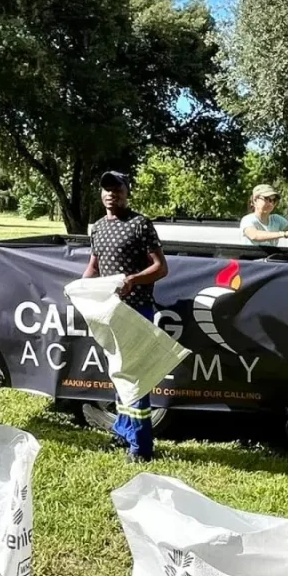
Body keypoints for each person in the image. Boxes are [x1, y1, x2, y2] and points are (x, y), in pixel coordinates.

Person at [83, 170, 168, 463]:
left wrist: (132, 280)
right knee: (119, 377)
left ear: (126, 191)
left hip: (137, 310)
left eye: (116, 188)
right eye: (106, 188)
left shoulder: (140, 224)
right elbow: (94, 267)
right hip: (110, 312)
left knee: (135, 379)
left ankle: (141, 447)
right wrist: (80, 288)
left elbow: (160, 268)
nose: (111, 193)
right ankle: (123, 434)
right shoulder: (97, 228)